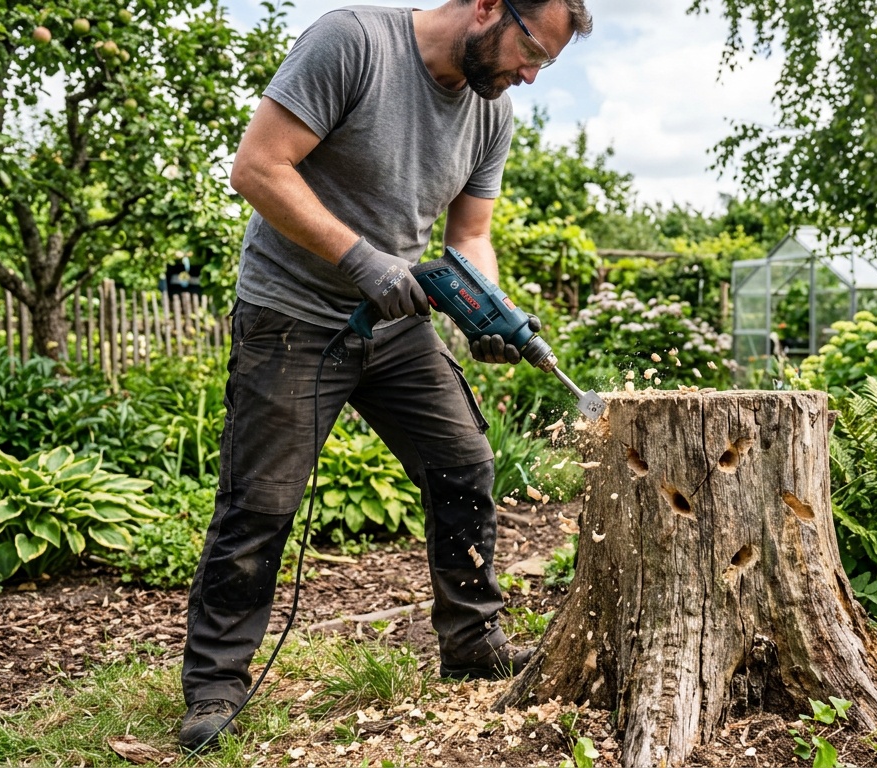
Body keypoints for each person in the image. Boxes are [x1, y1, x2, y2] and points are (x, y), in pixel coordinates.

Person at [176, 0, 593, 752]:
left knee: (463, 463)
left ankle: (472, 641)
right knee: (261, 501)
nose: (531, 75)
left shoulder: (490, 111)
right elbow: (258, 168)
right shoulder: (354, 44)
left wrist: (487, 309)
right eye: (531, 51)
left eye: (546, 65)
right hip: (292, 313)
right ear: (487, 7)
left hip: (395, 323)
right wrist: (360, 258)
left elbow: (471, 234)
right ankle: (215, 683)